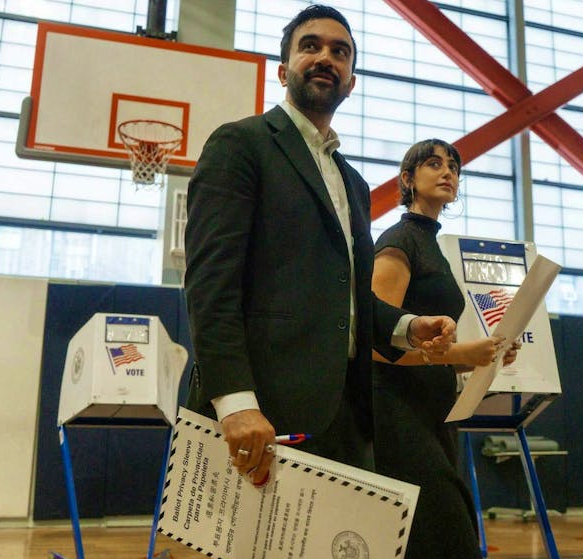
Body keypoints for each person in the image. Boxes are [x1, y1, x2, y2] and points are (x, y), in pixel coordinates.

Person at [183, 5, 456, 487]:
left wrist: (411, 327)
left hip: (343, 420)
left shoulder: (353, 183)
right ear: (283, 69)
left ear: (351, 81)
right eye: (310, 46)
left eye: (340, 52)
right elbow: (210, 285)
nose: (326, 57)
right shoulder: (240, 145)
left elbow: (347, 301)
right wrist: (236, 402)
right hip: (258, 416)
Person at [370, 138, 520, 558]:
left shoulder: (433, 245)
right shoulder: (400, 239)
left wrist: (484, 356)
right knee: (448, 537)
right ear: (407, 179)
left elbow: (431, 356)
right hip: (399, 414)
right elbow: (377, 344)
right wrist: (463, 354)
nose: (447, 171)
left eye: (453, 166)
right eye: (434, 163)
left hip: (435, 413)